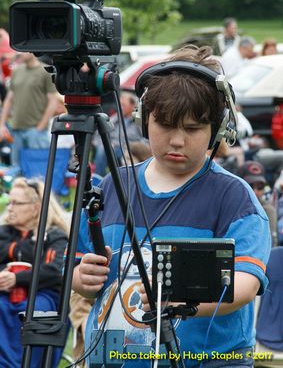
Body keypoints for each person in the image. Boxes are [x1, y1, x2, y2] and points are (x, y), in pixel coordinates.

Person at [72, 45, 271, 368]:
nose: (177, 140)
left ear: (217, 130)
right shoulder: (113, 186)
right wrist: (83, 277)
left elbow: (245, 285)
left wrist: (180, 299)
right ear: (143, 118)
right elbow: (79, 266)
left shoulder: (233, 198)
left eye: (192, 129)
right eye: (164, 124)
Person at [0, 177, 69, 368]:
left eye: (16, 203)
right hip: (5, 295)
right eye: (9, 200)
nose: (10, 207)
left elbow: (55, 270)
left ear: (36, 208)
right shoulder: (4, 231)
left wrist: (17, 278)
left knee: (35, 312)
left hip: (44, 296)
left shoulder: (55, 235)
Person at [0, 52, 58, 166]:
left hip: (35, 131)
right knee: (16, 168)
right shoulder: (16, 71)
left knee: (38, 169)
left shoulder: (45, 71)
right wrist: (2, 125)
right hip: (16, 130)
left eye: (23, 50)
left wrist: (40, 126)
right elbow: (9, 99)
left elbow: (53, 101)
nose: (19, 53)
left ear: (32, 51)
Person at [93, 89, 144, 176]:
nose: (120, 108)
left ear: (133, 106)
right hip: (112, 148)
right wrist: (105, 144)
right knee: (102, 149)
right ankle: (99, 180)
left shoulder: (138, 120)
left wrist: (133, 146)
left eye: (123, 105)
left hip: (129, 150)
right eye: (120, 105)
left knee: (124, 156)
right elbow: (99, 134)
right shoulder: (115, 118)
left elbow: (146, 139)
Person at [238, 160, 278, 247]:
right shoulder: (230, 205)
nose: (255, 191)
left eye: (260, 187)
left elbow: (271, 245)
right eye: (250, 186)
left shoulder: (268, 210)